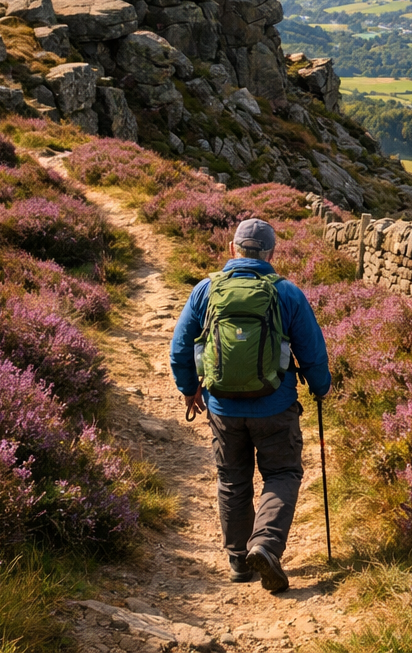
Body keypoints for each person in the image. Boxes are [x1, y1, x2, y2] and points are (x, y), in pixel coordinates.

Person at [170, 219, 331, 592]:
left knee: (232, 478)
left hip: (223, 408)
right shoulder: (287, 293)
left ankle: (239, 561)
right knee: (282, 473)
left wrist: (189, 388)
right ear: (271, 254)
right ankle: (266, 546)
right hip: (276, 405)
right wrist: (321, 387)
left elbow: (180, 346)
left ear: (232, 249)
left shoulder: (205, 290)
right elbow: (312, 350)